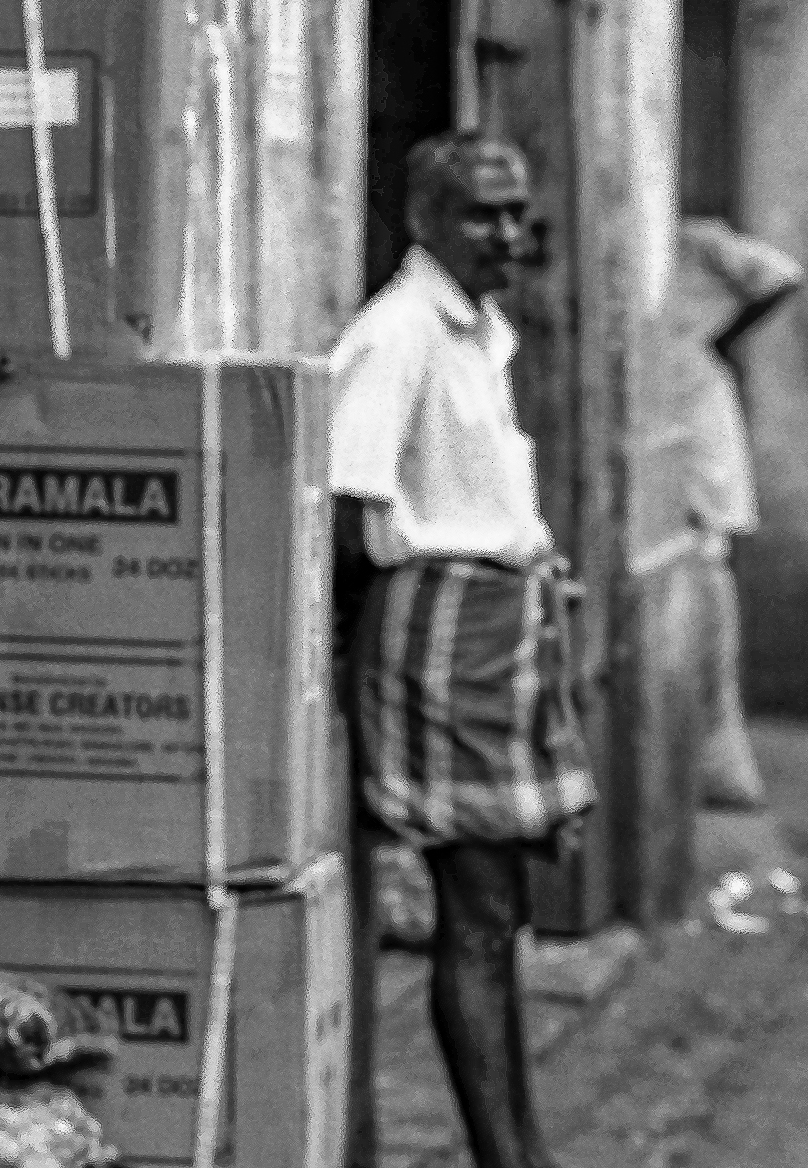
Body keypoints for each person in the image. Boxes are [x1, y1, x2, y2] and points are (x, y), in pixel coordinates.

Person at [331, 132, 596, 1168]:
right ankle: (505, 1155)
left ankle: (517, 1144)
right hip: (442, 633)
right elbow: (353, 510)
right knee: (479, 912)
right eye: (482, 213)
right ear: (425, 221)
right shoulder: (397, 332)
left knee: (498, 912)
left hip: (495, 626)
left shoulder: (477, 331)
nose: (505, 235)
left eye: (515, 212)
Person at [678, 216, 805, 805]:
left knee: (709, 576)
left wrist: (721, 334)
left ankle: (719, 760)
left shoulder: (695, 241)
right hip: (677, 408)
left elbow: (780, 276)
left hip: (696, 423)